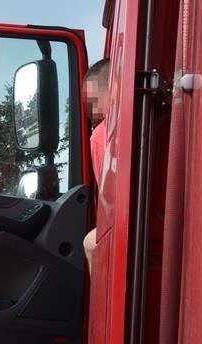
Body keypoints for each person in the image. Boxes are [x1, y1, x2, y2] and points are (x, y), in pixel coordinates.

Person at [82, 58, 110, 270]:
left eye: (93, 101)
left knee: (90, 242)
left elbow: (106, 201)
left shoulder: (101, 135)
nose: (94, 111)